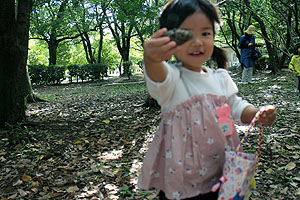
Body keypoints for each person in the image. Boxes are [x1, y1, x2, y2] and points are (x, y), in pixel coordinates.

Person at [137, 0, 277, 199]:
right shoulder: (173, 79)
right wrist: (151, 58)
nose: (198, 42)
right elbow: (157, 76)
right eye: (187, 34)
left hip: (222, 169)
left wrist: (255, 114)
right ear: (170, 39)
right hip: (185, 177)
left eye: (205, 33)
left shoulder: (220, 77)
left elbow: (235, 106)